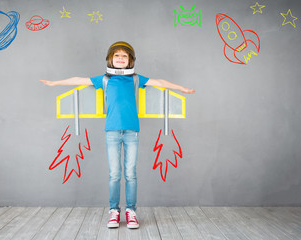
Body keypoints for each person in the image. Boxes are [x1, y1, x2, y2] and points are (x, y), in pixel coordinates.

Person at [40, 41, 195, 229]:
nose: (120, 58)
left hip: (132, 132)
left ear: (130, 60)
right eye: (117, 55)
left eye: (124, 56)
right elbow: (79, 80)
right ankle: (114, 211)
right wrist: (55, 83)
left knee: (131, 174)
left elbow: (160, 82)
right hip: (112, 131)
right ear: (110, 59)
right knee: (114, 174)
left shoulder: (136, 79)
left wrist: (182, 89)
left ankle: (131, 211)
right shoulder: (104, 79)